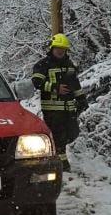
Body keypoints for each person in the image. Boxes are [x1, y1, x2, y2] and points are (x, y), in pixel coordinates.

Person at [31, 33, 88, 172]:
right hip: (52, 108)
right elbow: (36, 82)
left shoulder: (69, 65)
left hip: (69, 107)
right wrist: (55, 88)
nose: (60, 51)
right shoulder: (43, 64)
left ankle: (56, 153)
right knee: (58, 135)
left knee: (73, 133)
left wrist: (81, 99)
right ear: (52, 48)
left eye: (63, 48)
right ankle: (61, 162)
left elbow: (75, 84)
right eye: (58, 48)